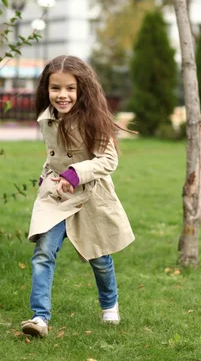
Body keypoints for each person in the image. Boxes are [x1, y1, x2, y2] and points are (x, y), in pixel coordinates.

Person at [20, 55, 135, 338]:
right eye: (55, 88)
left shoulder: (94, 120)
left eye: (70, 88)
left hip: (90, 196)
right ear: (46, 89)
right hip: (56, 195)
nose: (62, 95)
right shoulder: (47, 118)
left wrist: (74, 174)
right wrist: (46, 173)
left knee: (98, 256)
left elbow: (109, 160)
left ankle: (110, 306)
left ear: (82, 88)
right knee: (43, 252)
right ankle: (39, 318)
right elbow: (54, 154)